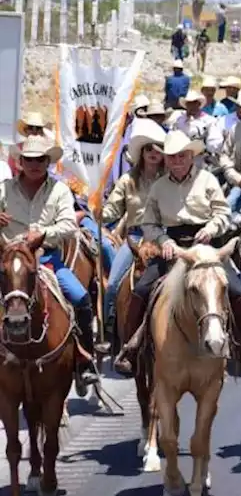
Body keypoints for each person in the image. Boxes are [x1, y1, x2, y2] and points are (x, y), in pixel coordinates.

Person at [115, 130, 241, 377]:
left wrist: (211, 228)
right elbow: (148, 222)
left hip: (204, 246)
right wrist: (163, 240)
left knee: (237, 291)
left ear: (191, 156)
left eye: (182, 156)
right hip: (172, 247)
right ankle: (130, 347)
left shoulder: (207, 180)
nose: (177, 161)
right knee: (140, 290)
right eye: (172, 157)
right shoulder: (159, 187)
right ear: (166, 160)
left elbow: (223, 213)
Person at [0, 136, 100, 389]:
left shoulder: (59, 190)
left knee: (80, 299)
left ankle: (83, 361)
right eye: (29, 160)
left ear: (48, 162)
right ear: (20, 162)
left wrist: (43, 234)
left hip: (46, 259)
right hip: (9, 259)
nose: (34, 165)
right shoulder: (4, 189)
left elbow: (68, 225)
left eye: (40, 160)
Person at [100, 119, 166, 336]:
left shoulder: (170, 180)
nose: (154, 152)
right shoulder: (128, 180)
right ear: (142, 153)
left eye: (159, 148)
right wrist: (100, 212)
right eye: (149, 148)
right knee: (112, 286)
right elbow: (113, 209)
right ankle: (110, 327)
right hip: (135, 239)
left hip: (165, 239)